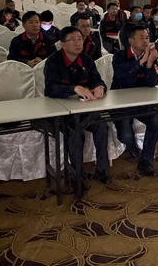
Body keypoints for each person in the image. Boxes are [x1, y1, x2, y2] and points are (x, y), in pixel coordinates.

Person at [44, 26, 110, 189]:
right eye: (72, 40)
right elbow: (50, 89)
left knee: (102, 125)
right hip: (62, 111)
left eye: (80, 39)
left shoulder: (86, 59)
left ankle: (102, 169)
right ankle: (76, 174)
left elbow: (97, 80)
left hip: (84, 109)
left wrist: (99, 87)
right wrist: (74, 88)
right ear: (63, 44)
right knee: (75, 133)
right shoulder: (53, 62)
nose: (78, 43)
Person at [111, 25, 158, 176]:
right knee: (126, 136)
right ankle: (131, 147)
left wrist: (150, 63)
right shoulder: (119, 56)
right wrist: (139, 63)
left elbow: (152, 83)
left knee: (155, 120)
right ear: (131, 40)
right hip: (120, 102)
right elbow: (121, 76)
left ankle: (145, 161)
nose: (145, 41)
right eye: (141, 38)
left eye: (147, 38)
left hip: (140, 102)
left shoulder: (150, 56)